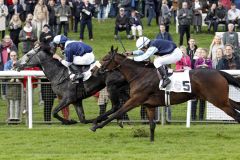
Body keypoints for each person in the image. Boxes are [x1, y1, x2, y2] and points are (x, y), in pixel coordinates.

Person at [192, 48, 212, 121]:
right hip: (197, 82)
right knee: (194, 100)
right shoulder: (198, 60)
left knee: (202, 100)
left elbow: (211, 67)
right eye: (201, 53)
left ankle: (201, 117)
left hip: (205, 83)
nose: (202, 54)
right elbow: (195, 67)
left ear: (206, 53)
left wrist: (207, 66)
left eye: (204, 52)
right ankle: (193, 117)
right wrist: (200, 66)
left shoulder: (209, 60)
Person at [4, 50, 21, 124]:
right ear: (10, 56)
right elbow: (5, 73)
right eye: (12, 55)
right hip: (10, 85)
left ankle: (16, 119)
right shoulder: (7, 63)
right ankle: (11, 118)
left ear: (16, 56)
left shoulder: (20, 63)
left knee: (17, 102)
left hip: (18, 85)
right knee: (11, 103)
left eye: (14, 55)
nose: (13, 57)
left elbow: (22, 72)